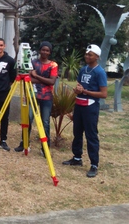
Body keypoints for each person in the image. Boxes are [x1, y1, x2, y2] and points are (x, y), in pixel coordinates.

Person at [62, 44, 107, 178]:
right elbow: (80, 86)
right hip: (79, 105)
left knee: (91, 135)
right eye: (86, 54)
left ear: (97, 57)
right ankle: (77, 158)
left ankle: (94, 164)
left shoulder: (100, 72)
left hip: (90, 106)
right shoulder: (83, 70)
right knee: (77, 132)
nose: (87, 56)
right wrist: (77, 91)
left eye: (90, 54)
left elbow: (103, 94)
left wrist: (85, 92)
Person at [14, 41, 58, 156]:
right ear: (40, 50)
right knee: (28, 119)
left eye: (47, 50)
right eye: (43, 49)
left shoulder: (53, 65)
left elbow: (52, 81)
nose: (45, 52)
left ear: (50, 52)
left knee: (45, 122)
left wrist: (37, 76)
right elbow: (28, 79)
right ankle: (24, 143)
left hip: (47, 97)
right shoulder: (32, 63)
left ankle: (45, 148)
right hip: (32, 95)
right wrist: (44, 79)